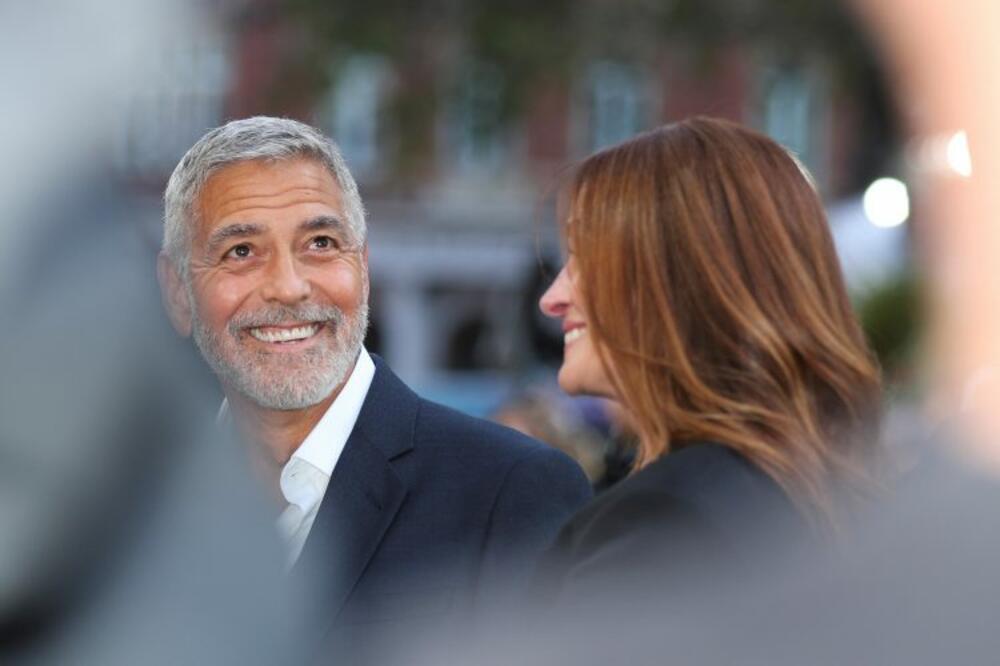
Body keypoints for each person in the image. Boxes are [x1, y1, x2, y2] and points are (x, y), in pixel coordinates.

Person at [156, 116, 592, 662]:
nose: (289, 287)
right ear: (176, 291)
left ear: (362, 267)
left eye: (320, 243)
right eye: (241, 251)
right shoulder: (129, 511)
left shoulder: (512, 494)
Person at [536, 117, 882, 602]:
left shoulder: (663, 523)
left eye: (582, 257)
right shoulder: (816, 494)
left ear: (677, 280)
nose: (551, 298)